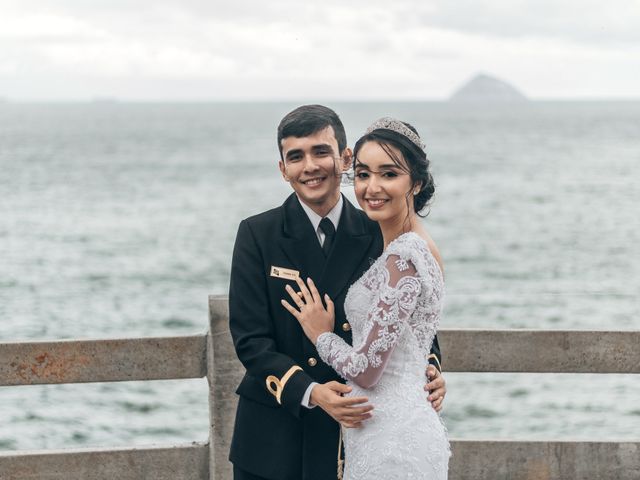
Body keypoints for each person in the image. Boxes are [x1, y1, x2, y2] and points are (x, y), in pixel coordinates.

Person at [228, 105, 446, 480]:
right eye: (295, 156)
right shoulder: (257, 234)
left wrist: (430, 369)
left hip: (351, 434)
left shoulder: (379, 228)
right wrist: (311, 391)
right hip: (276, 437)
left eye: (320, 152)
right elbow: (250, 341)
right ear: (283, 169)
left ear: (344, 158)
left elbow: (408, 315)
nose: (309, 166)